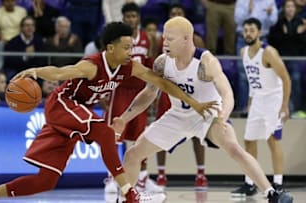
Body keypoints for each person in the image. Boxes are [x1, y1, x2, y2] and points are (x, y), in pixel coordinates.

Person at [0, 22, 215, 203]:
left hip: (75, 115)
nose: (131, 52)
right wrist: (35, 72)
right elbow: (60, 73)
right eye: (126, 47)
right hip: (62, 104)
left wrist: (194, 103)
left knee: (46, 181)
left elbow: (162, 84)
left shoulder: (129, 67)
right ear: (110, 48)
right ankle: (129, 193)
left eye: (132, 47)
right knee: (105, 132)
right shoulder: (92, 66)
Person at [111, 17, 293, 203]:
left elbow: (227, 92)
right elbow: (148, 94)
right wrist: (124, 118)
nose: (164, 43)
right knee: (132, 154)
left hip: (208, 115)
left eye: (170, 39)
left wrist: (224, 114)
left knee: (234, 149)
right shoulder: (162, 62)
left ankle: (271, 193)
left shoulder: (205, 62)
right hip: (177, 116)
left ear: (186, 39)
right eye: (164, 38)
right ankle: (124, 199)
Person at [103, 2, 162, 194]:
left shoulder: (148, 38)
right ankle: (112, 177)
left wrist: (152, 93)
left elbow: (151, 65)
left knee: (140, 138)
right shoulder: (118, 40)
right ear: (123, 18)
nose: (131, 19)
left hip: (140, 93)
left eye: (133, 16)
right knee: (114, 135)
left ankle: (143, 178)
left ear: (138, 18)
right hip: (120, 90)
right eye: (127, 17)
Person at [231, 17, 292, 198]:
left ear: (260, 33)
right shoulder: (243, 52)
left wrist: (284, 106)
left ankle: (278, 184)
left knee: (272, 140)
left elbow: (286, 79)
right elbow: (252, 79)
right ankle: (250, 183)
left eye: (252, 30)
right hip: (258, 100)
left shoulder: (269, 52)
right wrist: (251, 101)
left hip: (274, 100)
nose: (248, 33)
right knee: (249, 140)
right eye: (246, 30)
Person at [155, 3, 209, 190]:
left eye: (179, 13)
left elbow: (203, 68)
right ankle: (161, 173)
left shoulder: (196, 41)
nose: (176, 15)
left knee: (197, 134)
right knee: (160, 131)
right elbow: (158, 68)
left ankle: (201, 174)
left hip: (191, 88)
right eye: (173, 13)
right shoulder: (162, 40)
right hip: (169, 89)